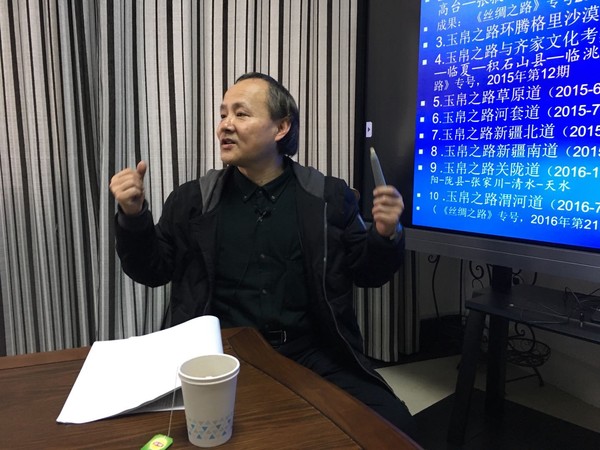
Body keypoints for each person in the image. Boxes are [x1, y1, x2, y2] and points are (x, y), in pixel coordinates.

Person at [110, 72, 417, 438]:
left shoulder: (328, 197)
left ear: (281, 127)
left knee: (395, 428)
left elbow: (369, 274)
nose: (225, 125)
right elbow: (152, 269)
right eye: (223, 114)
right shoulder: (193, 200)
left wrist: (385, 234)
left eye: (240, 114)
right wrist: (133, 217)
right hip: (217, 356)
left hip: (311, 353)